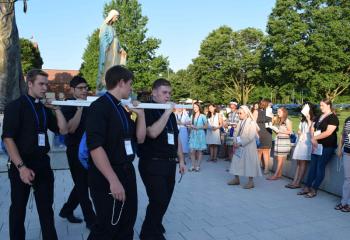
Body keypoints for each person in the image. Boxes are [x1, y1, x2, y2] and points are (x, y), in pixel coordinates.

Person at [2, 69, 68, 240]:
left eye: (47, 84)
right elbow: (8, 139)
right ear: (29, 83)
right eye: (41, 84)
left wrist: (57, 109)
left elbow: (63, 130)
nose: (45, 88)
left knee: (46, 208)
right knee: (18, 208)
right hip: (21, 164)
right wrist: (21, 168)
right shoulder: (16, 106)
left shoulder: (44, 108)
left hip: (42, 164)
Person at [86, 65, 146, 239]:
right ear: (121, 83)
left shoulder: (121, 108)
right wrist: (113, 180)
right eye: (130, 84)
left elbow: (140, 138)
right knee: (108, 225)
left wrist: (140, 115)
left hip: (126, 171)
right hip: (107, 175)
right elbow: (95, 147)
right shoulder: (99, 107)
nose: (131, 88)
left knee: (127, 222)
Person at [138, 78, 186, 240]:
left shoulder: (169, 114)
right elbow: (152, 132)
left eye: (170, 93)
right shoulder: (147, 110)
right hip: (152, 162)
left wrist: (181, 160)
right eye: (165, 92)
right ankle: (149, 233)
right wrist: (167, 112)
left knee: (164, 200)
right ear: (154, 92)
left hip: (169, 163)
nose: (168, 96)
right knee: (158, 199)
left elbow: (176, 137)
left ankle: (155, 223)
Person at [59, 76, 96, 228]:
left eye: (86, 88)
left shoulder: (90, 104)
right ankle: (91, 220)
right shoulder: (67, 105)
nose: (84, 90)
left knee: (84, 183)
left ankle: (67, 210)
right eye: (80, 88)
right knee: (82, 185)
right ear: (72, 89)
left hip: (89, 150)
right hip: (75, 151)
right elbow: (70, 129)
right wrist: (79, 108)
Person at [299, 99, 339, 198]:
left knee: (320, 167)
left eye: (322, 105)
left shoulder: (333, 118)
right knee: (312, 167)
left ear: (329, 105)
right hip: (316, 145)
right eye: (320, 105)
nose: (321, 107)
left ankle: (314, 189)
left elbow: (328, 132)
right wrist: (313, 139)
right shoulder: (318, 117)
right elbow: (312, 128)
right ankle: (307, 187)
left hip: (327, 147)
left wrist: (314, 138)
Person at [228, 106, 262, 189]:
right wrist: (235, 142)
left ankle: (251, 182)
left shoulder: (251, 122)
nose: (239, 115)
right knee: (236, 161)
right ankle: (236, 179)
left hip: (249, 147)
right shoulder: (240, 122)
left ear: (246, 113)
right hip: (239, 145)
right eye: (238, 113)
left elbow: (250, 137)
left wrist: (240, 143)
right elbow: (237, 133)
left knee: (249, 163)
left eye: (240, 113)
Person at [96, 9, 127, 92]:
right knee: (107, 67)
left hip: (114, 51)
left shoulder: (112, 28)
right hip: (108, 50)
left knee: (114, 67)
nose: (116, 19)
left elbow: (116, 39)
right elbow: (102, 37)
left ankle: (112, 84)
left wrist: (120, 48)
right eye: (116, 17)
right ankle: (104, 84)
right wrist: (106, 46)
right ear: (112, 16)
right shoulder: (104, 26)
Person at [285, 104, 313, 189]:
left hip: (306, 143)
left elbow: (311, 128)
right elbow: (300, 130)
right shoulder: (302, 120)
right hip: (300, 142)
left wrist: (308, 119)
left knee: (303, 163)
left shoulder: (311, 120)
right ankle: (295, 181)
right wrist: (299, 132)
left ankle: (298, 182)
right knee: (298, 163)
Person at [267, 107, 292, 180]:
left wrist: (279, 131)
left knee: (280, 159)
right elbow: (278, 131)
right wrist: (275, 129)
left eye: (279, 112)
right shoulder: (280, 120)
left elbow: (290, 131)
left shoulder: (287, 121)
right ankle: (279, 174)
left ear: (284, 112)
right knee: (278, 158)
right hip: (279, 140)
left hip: (284, 142)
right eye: (277, 112)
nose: (278, 113)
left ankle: (275, 175)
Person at [335, 115, 350, 212]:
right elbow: (343, 135)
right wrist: (340, 148)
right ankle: (344, 202)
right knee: (347, 179)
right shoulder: (348, 120)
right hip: (347, 153)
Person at [254, 99, 273, 174]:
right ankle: (257, 168)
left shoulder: (269, 112)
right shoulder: (256, 111)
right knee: (259, 151)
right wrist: (256, 133)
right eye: (269, 104)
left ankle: (266, 168)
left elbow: (272, 122)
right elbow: (253, 122)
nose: (271, 105)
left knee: (266, 151)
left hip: (267, 132)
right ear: (265, 104)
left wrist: (272, 117)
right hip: (259, 131)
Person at [188, 102, 208, 172]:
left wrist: (198, 127)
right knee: (192, 151)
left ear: (199, 107)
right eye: (194, 107)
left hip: (200, 134)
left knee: (200, 151)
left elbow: (206, 126)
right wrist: (189, 126)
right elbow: (190, 124)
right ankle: (193, 165)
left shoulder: (203, 116)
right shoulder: (192, 115)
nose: (194, 108)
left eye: (196, 107)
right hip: (193, 134)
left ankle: (198, 166)